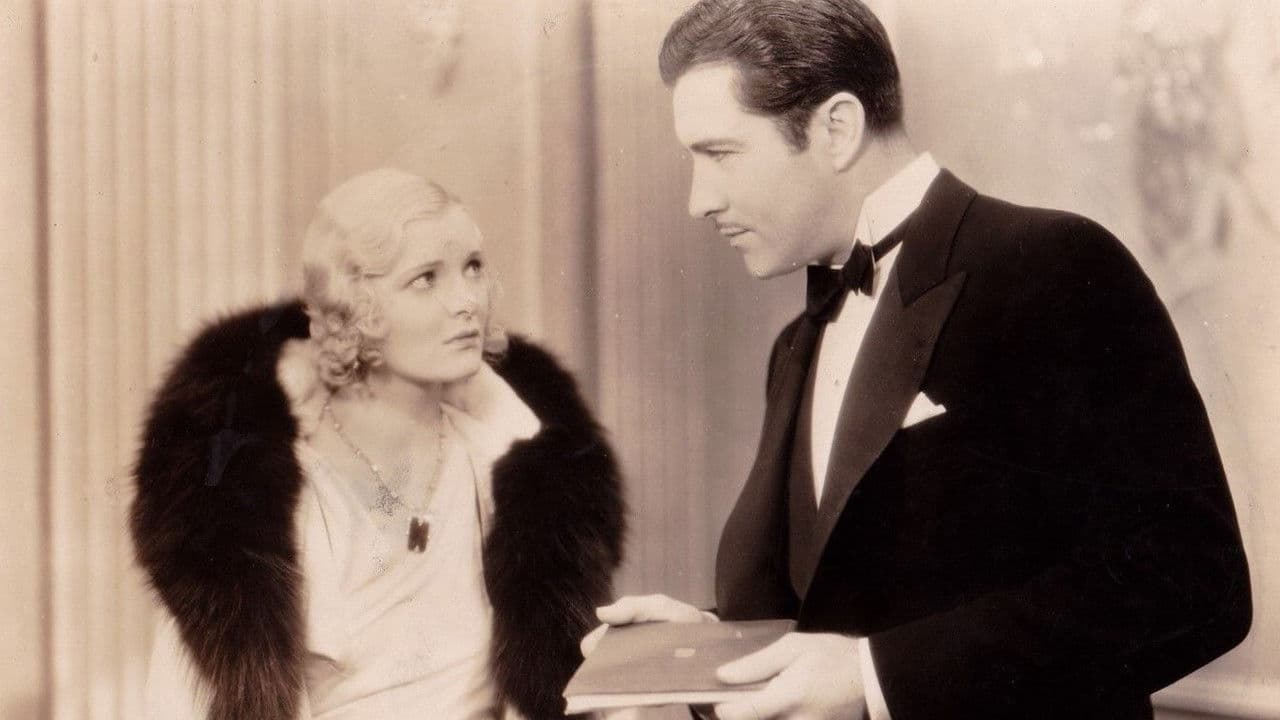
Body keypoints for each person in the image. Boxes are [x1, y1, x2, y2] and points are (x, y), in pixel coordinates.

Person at [586, 1, 1252, 718]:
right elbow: (836, 612)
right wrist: (707, 650)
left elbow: (1192, 580)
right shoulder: (795, 346)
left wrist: (875, 679)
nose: (699, 200)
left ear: (836, 129)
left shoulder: (1052, 266)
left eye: (719, 154)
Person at [131, 168, 625, 719]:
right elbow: (180, 704)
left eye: (473, 267)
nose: (466, 301)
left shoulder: (502, 464)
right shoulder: (264, 499)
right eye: (426, 279)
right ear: (355, 311)